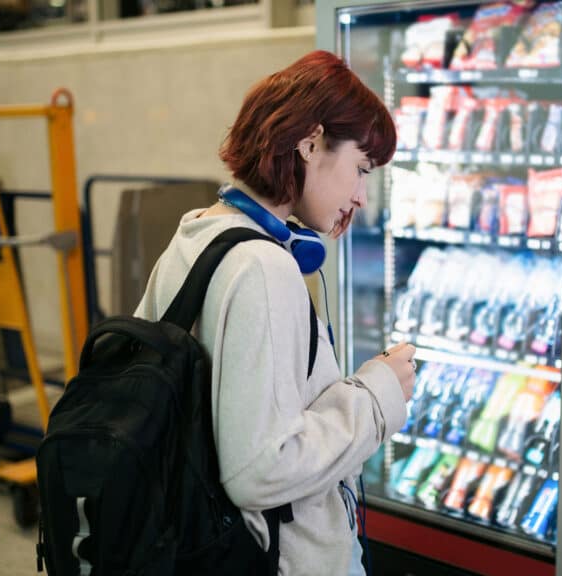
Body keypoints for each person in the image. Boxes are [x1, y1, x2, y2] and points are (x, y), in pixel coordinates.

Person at [134, 50, 416, 575]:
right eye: (359, 168)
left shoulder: (196, 234)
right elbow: (259, 467)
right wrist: (378, 395)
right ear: (310, 142)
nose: (359, 195)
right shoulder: (264, 266)